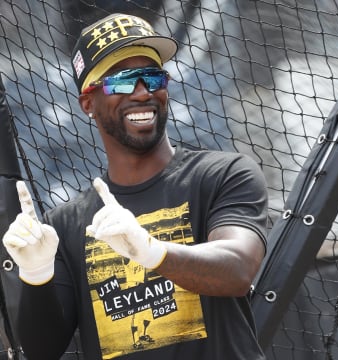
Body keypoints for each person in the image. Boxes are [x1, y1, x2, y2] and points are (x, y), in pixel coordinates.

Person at [2, 13, 268, 360]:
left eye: (153, 76)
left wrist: (151, 252)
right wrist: (36, 274)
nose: (143, 91)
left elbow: (237, 269)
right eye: (122, 81)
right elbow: (43, 349)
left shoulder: (224, 174)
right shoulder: (66, 223)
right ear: (88, 103)